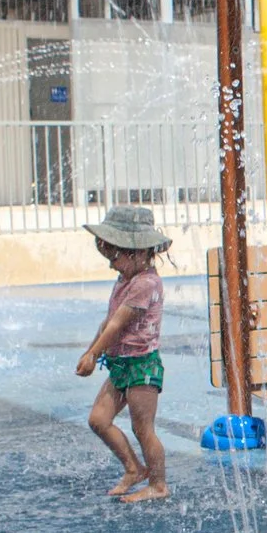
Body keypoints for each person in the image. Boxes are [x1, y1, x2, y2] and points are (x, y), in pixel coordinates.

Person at [76, 205, 171, 503]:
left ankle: (158, 484)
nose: (111, 265)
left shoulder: (145, 283)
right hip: (120, 364)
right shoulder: (126, 279)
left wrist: (94, 354)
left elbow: (118, 324)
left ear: (138, 252)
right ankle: (133, 468)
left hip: (142, 365)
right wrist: (90, 351)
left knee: (143, 429)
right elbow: (108, 321)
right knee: (98, 420)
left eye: (115, 257)